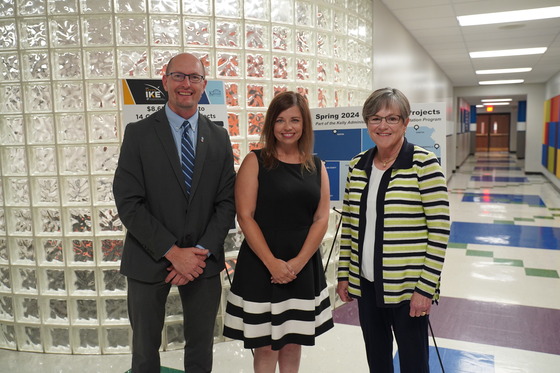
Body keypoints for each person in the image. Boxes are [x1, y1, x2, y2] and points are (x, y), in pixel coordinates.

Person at [113, 53, 236, 373]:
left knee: (200, 348)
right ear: (165, 81)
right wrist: (171, 251)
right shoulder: (138, 134)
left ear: (204, 85)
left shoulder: (219, 137)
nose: (186, 84)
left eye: (194, 77)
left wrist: (197, 253)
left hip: (202, 262)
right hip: (147, 257)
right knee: (144, 349)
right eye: (179, 76)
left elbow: (226, 202)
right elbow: (128, 201)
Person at [336, 87, 450, 373]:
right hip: (367, 285)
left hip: (408, 288)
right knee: (377, 360)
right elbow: (350, 226)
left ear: (405, 122)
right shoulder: (357, 166)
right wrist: (344, 275)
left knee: (413, 362)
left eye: (392, 119)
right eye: (375, 118)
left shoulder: (424, 165)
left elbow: (439, 231)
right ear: (366, 123)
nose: (382, 126)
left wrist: (425, 288)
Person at [223, 91, 334, 373]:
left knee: (293, 342)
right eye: (281, 120)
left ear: (304, 124)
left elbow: (322, 217)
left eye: (295, 120)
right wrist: (273, 263)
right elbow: (245, 216)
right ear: (271, 124)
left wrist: (297, 263)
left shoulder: (316, 165)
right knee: (265, 345)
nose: (288, 127)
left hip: (302, 263)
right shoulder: (255, 161)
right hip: (262, 263)